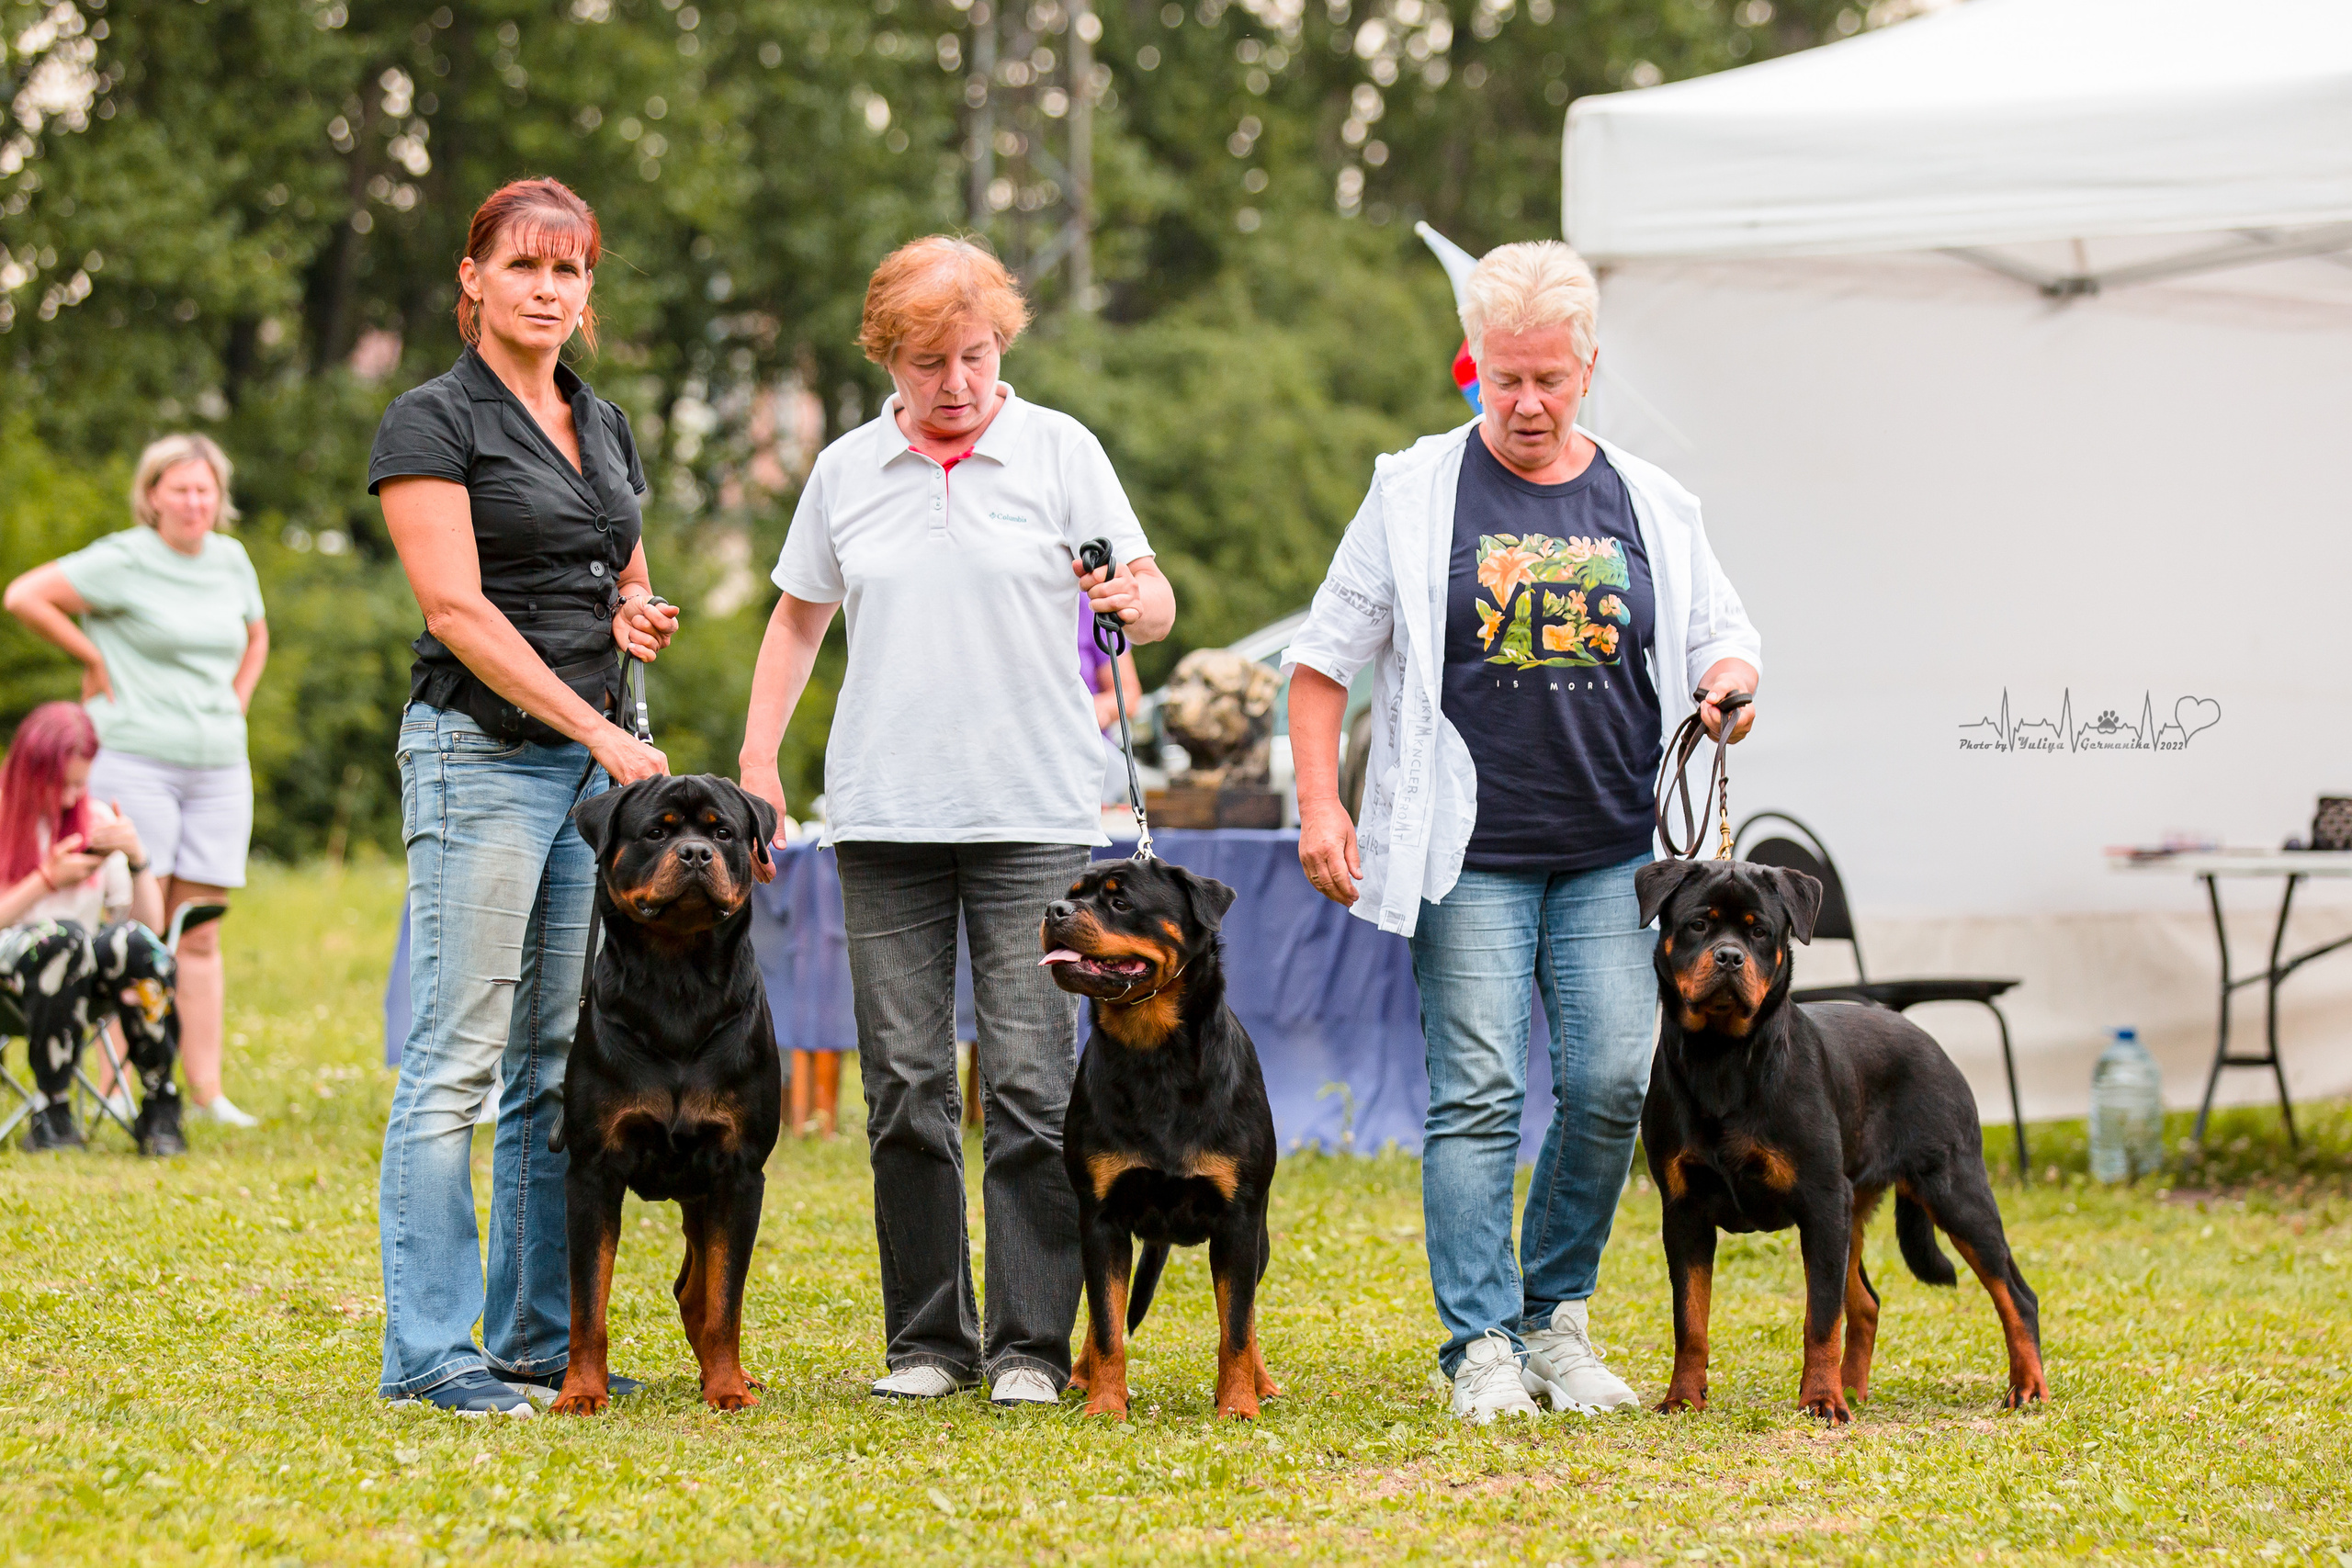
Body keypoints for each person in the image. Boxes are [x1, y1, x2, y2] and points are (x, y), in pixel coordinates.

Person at [1284, 241, 1762, 1423]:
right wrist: (1319, 802)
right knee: (1481, 1092)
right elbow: (1317, 660)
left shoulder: (1652, 499)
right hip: (1468, 854)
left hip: (1616, 851)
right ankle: (1479, 1346)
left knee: (1607, 1081)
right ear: (1474, 367)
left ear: (1588, 365)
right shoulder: (1412, 491)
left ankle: (1556, 1319)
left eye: (1549, 378)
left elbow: (1721, 630)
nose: (1528, 403)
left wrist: (1730, 682)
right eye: (1505, 379)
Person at [739, 235, 1174, 1409]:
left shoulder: (1060, 450)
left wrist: (1136, 596)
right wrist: (757, 760)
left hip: (1034, 811)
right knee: (906, 1085)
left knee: (1032, 1086)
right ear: (890, 357)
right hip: (883, 815)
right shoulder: (845, 469)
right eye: (929, 360)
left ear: (1001, 348)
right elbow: (794, 624)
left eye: (974, 355)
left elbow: (1152, 592)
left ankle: (1032, 1346)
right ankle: (928, 1341)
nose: (955, 382)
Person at [369, 177, 678, 1417]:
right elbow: (457, 609)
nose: (549, 289)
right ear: (474, 279)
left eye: (571, 270)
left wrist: (631, 613)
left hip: (582, 775)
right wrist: (599, 725)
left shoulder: (599, 422)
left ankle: (538, 1340)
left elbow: (620, 564)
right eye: (526, 267)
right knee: (457, 1057)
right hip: (483, 754)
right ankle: (433, 1353)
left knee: (555, 1061)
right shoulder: (431, 420)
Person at [4, 433, 267, 1128]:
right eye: (179, 488)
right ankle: (118, 1084)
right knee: (130, 929)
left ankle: (206, 1091)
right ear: (152, 495)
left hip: (216, 765)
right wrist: (92, 654)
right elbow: (24, 595)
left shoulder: (232, 559)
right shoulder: (122, 559)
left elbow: (257, 634)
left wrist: (234, 700)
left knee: (200, 930)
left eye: (205, 488)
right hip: (134, 759)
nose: (194, 501)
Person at [0, 703, 184, 1156]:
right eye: (61, 784)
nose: (70, 797)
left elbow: (152, 927)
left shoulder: (94, 819)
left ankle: (161, 1103)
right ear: (31, 770)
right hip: (13, 978)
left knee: (138, 946)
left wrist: (137, 858)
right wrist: (46, 879)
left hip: (78, 979)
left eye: (80, 783)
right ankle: (53, 1109)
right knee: (61, 937)